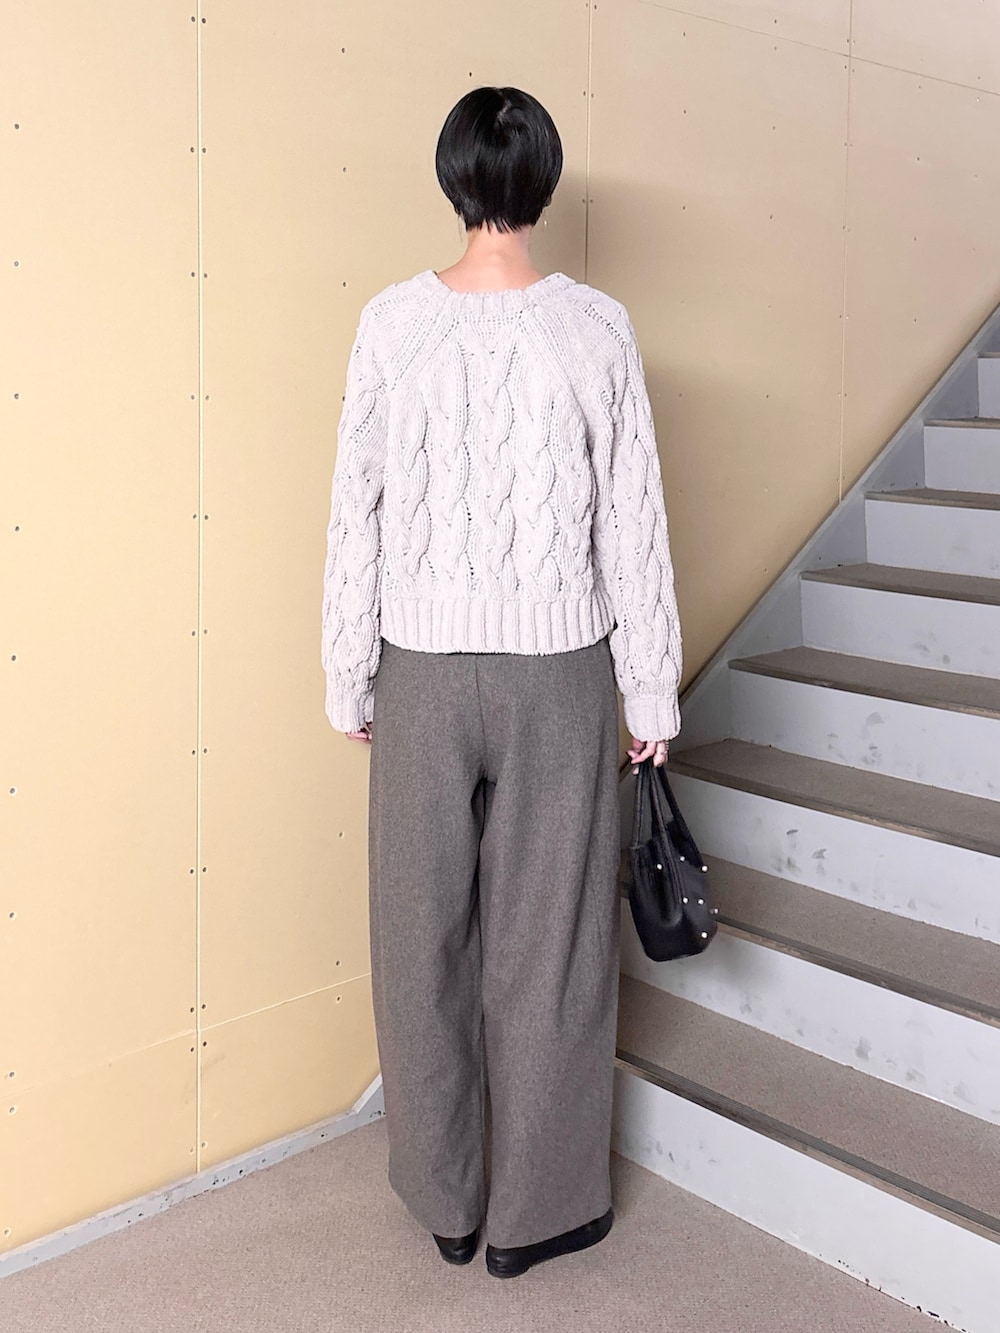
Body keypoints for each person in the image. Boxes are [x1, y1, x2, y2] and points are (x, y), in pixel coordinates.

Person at [321, 86, 682, 1279]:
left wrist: (349, 674)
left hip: (421, 669)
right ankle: (538, 1214)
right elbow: (633, 521)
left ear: (454, 180)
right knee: (553, 950)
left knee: (416, 940)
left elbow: (355, 512)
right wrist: (649, 692)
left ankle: (445, 1198)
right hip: (559, 674)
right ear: (542, 183)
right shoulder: (596, 329)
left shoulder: (390, 324)